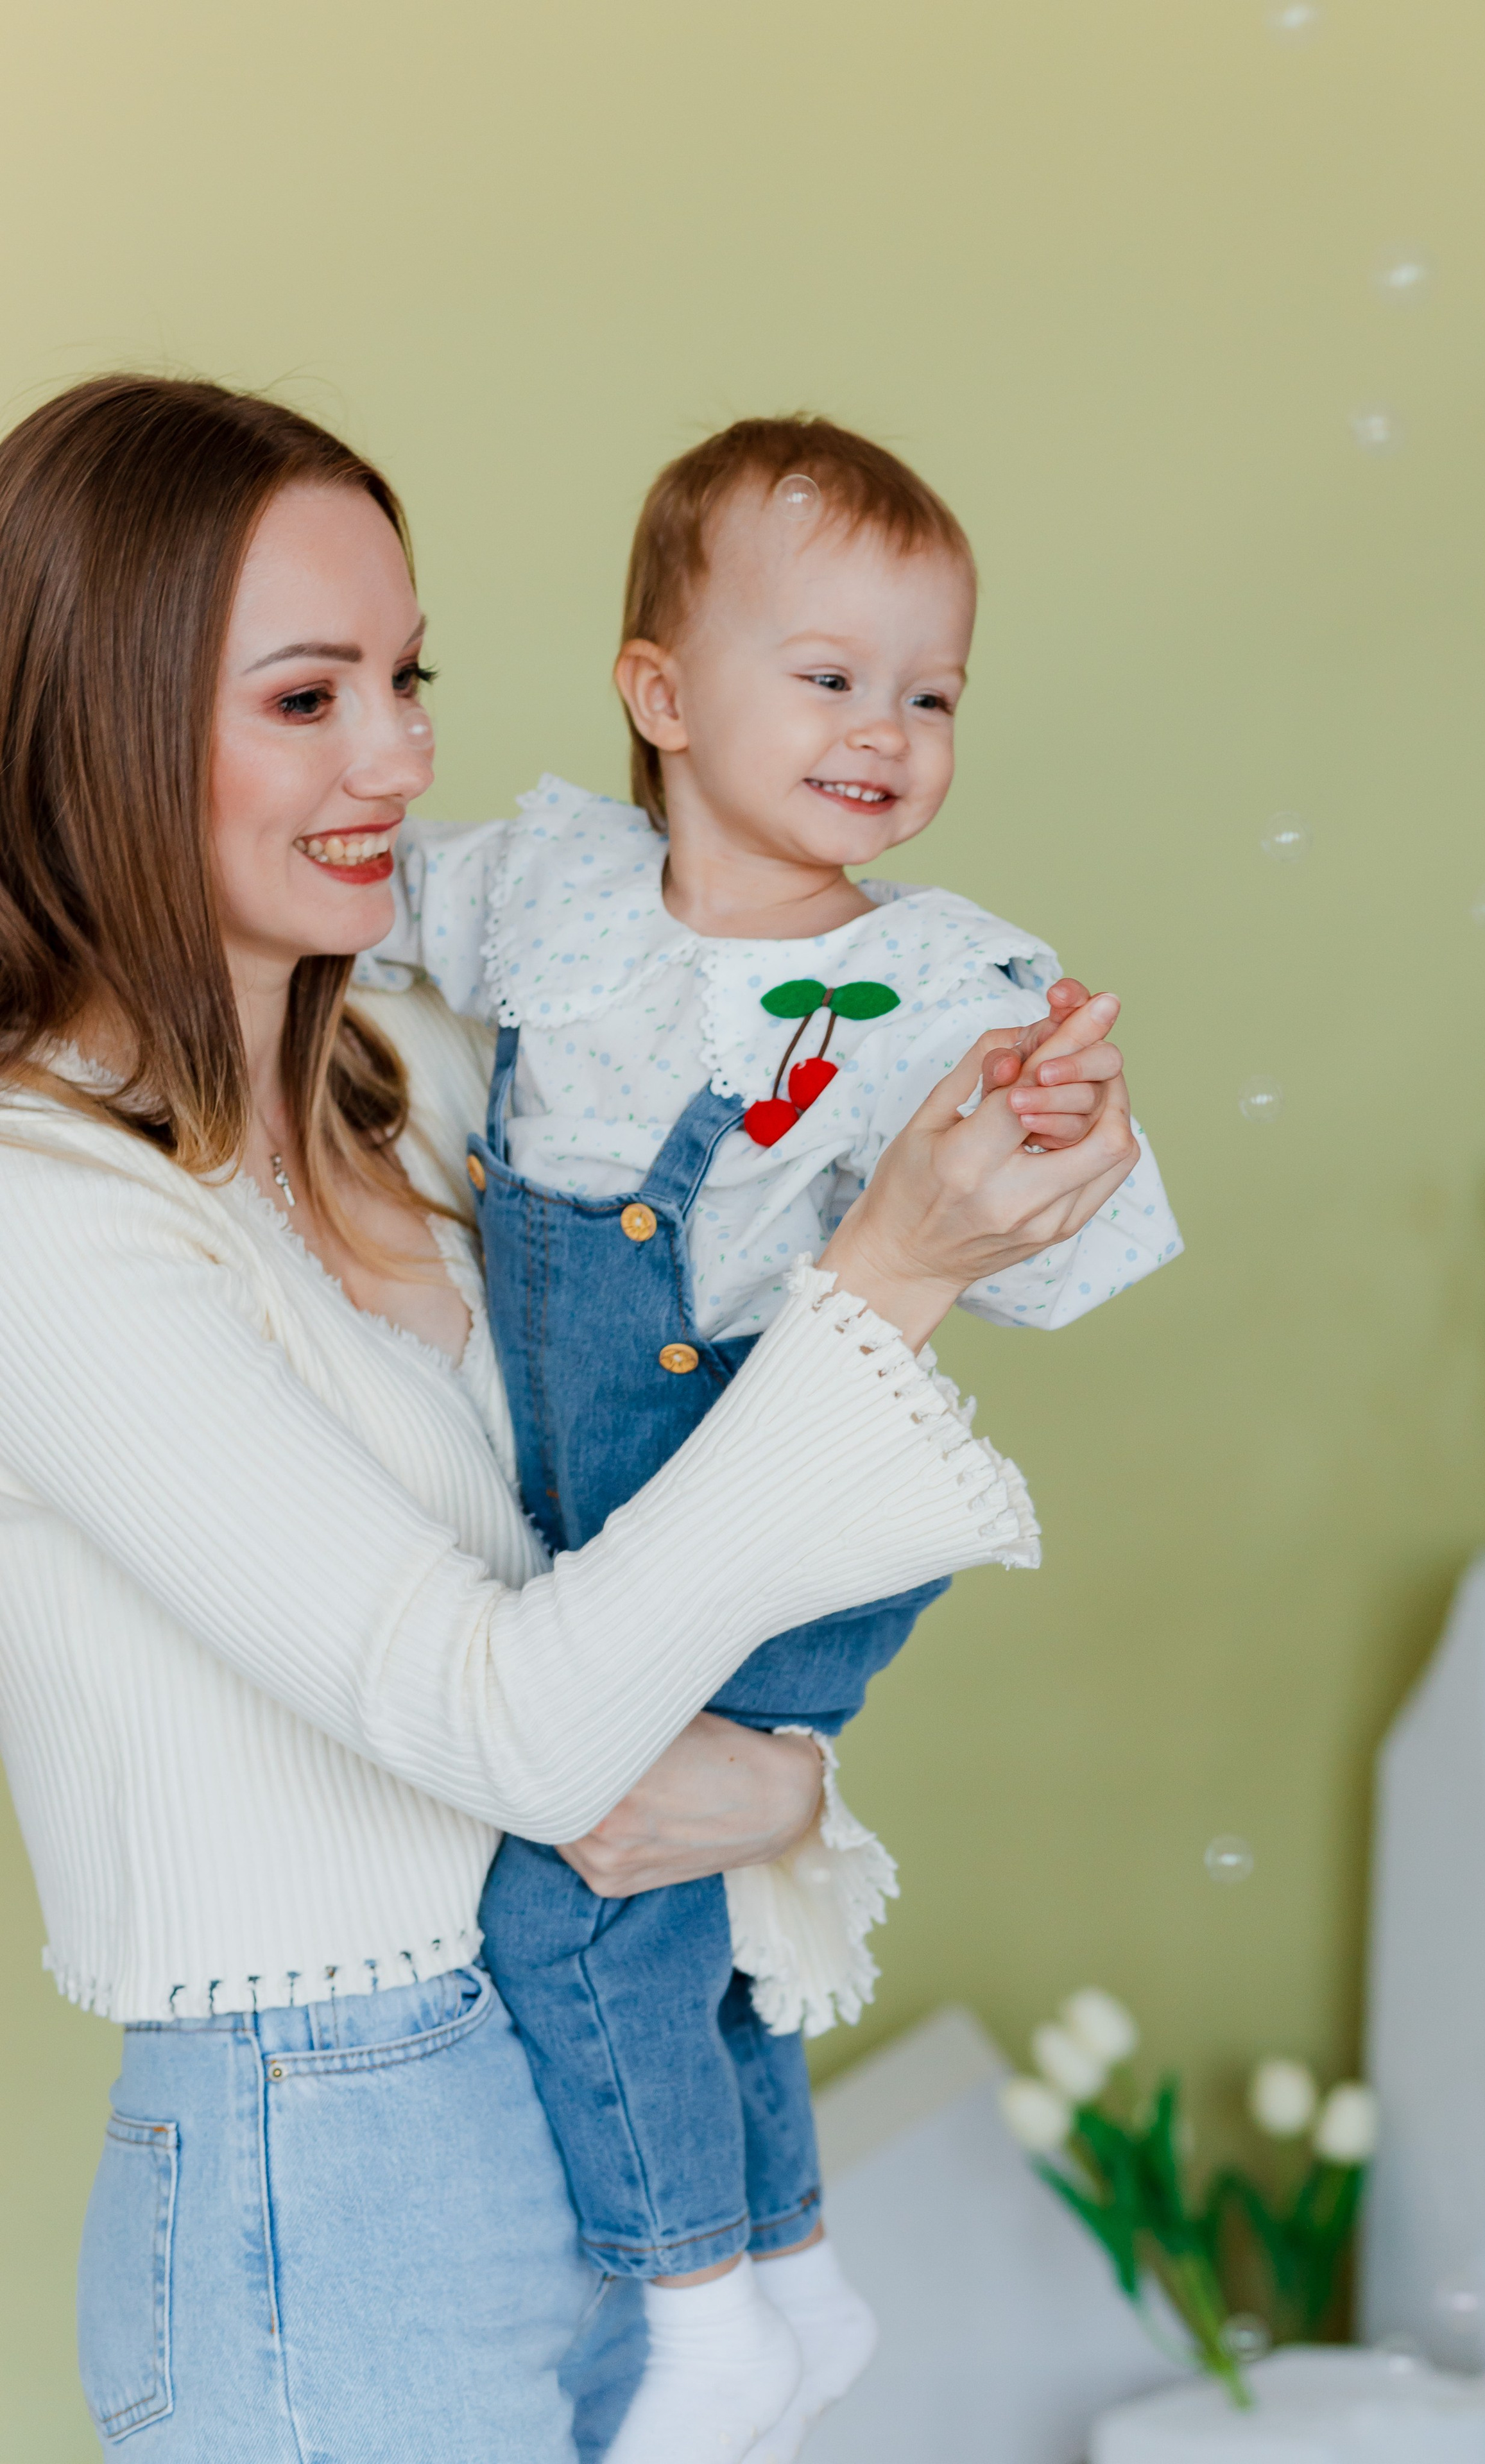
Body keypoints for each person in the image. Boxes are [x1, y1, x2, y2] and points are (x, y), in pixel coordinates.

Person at [0, 377, 1142, 2464]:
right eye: (308, 695)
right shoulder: (45, 1224)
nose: (404, 755)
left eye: (407, 674)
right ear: (99, 723)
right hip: (324, 2171)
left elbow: (644, 1571)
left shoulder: (441, 1085)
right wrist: (888, 1273)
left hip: (606, 2093)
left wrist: (790, 1793)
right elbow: (509, 1723)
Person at [363, 415, 1180, 2464]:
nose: (882, 731)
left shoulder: (928, 981)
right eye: (825, 675)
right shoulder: (546, 888)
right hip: (612, 1509)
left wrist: (1070, 1127)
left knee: (575, 1898)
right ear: (661, 693)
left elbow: (1067, 1247)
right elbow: (341, 918)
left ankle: (698, 2309)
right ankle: (795, 2273)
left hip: (792, 1507)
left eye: (930, 694)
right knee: (699, 1904)